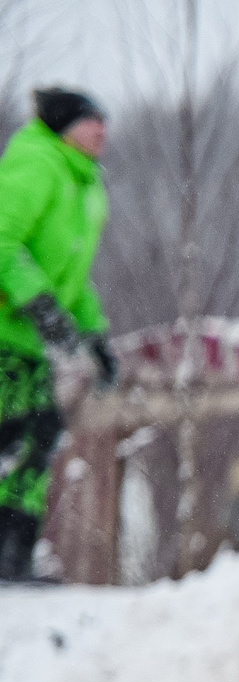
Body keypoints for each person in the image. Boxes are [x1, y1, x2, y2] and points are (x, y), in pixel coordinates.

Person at [0, 89, 112, 587]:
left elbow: (73, 277)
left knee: (40, 437)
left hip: (29, 344)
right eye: (92, 122)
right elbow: (3, 241)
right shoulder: (38, 167)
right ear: (65, 128)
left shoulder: (85, 185)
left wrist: (95, 335)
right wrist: (39, 305)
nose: (102, 131)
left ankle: (14, 555)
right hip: (6, 333)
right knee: (12, 437)